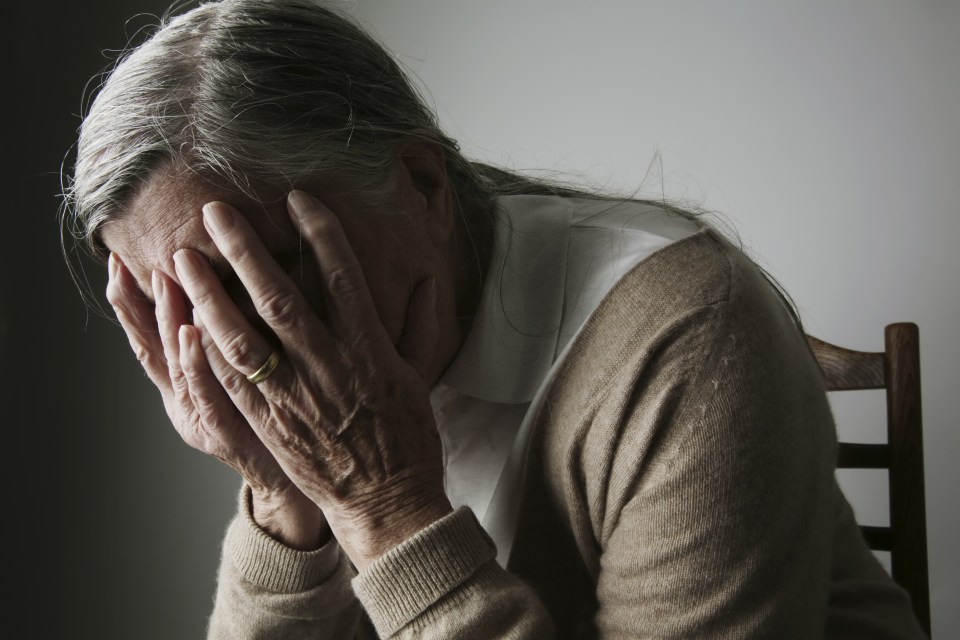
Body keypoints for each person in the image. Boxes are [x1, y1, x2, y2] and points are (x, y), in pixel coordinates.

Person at [63, 1, 927, 638]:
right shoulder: (329, 377)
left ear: (426, 187)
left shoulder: (691, 338)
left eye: (261, 274)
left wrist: (385, 504)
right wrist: (281, 490)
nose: (242, 348)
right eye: (187, 307)